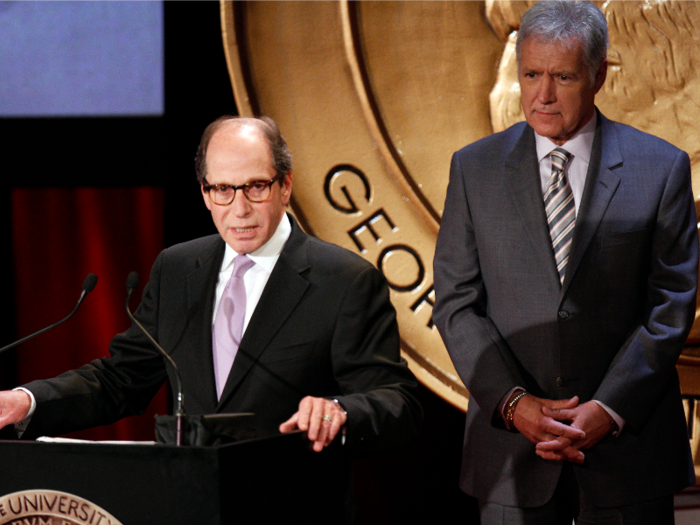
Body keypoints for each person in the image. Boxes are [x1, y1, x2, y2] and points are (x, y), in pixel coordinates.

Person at [0, 116, 422, 518]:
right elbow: (121, 379)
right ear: (204, 193)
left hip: (293, 509)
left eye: (256, 187)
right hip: (191, 506)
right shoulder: (179, 269)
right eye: (222, 189)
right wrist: (26, 401)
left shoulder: (345, 280)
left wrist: (339, 409)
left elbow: (397, 400)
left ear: (285, 186)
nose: (239, 208)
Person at [433, 0, 698, 523]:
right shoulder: (474, 169)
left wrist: (609, 408)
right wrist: (513, 405)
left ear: (598, 75)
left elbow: (671, 305)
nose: (542, 95)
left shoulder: (660, 168)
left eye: (562, 76)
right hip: (512, 453)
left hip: (628, 451)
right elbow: (457, 303)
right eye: (530, 74)